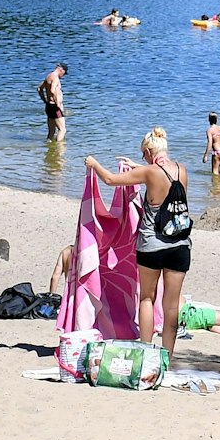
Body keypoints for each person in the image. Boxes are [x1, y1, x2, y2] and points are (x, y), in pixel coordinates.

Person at [85, 127, 189, 354]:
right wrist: (139, 167)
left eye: (144, 155)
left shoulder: (149, 172)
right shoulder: (182, 170)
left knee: (147, 300)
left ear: (150, 152)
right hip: (180, 246)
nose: (143, 159)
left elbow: (111, 180)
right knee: (171, 306)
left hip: (152, 246)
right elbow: (164, 182)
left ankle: (146, 353)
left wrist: (94, 164)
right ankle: (167, 359)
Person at [38, 63, 68, 141]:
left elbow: (39, 89)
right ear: (61, 70)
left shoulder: (49, 76)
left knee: (52, 131)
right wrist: (57, 103)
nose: (63, 76)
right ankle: (59, 148)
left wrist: (44, 100)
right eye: (64, 74)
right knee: (62, 129)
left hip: (48, 106)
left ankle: (49, 149)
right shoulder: (55, 78)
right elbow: (52, 90)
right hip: (54, 106)